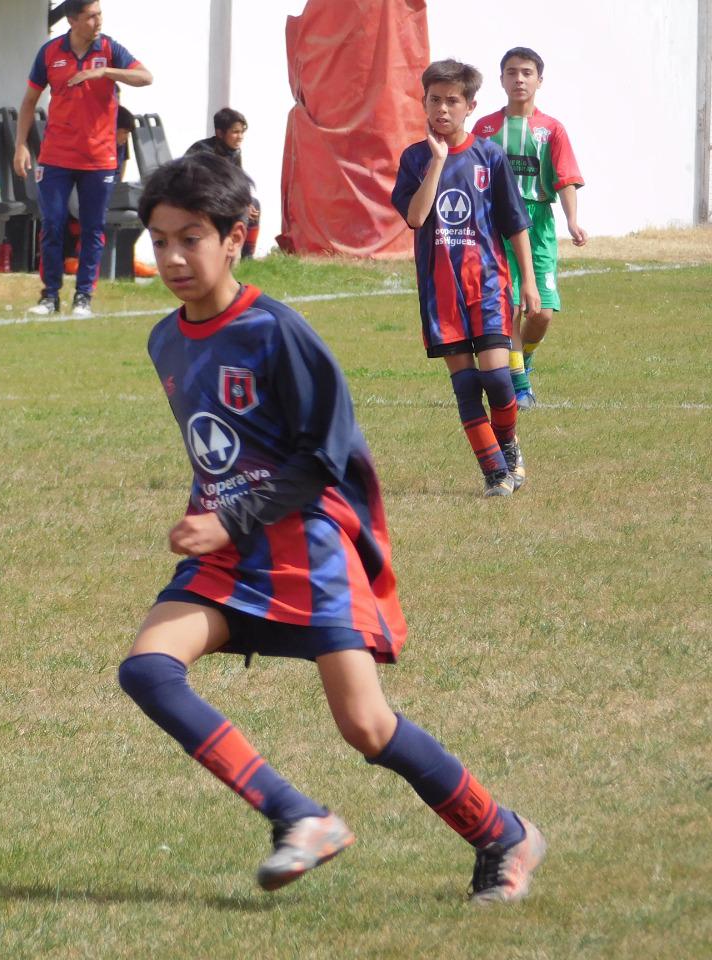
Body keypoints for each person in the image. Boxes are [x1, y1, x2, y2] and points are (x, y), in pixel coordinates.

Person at [117, 150, 546, 903]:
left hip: (307, 545)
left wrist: (234, 518)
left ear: (237, 238)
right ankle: (298, 816)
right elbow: (222, 446)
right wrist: (205, 513)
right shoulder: (165, 340)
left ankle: (502, 833)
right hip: (231, 550)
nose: (175, 256)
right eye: (160, 240)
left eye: (192, 237)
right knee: (148, 669)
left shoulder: (277, 332)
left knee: (367, 727)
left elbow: (325, 457)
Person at [392, 59, 538, 497]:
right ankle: (494, 472)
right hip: (441, 293)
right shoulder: (414, 159)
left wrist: (528, 281)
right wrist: (437, 163)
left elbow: (515, 223)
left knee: (496, 378)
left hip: (488, 285)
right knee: (466, 387)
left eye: (452, 101)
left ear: (470, 105)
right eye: (434, 100)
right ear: (424, 102)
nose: (442, 109)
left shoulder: (489, 157)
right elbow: (416, 218)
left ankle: (508, 443)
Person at [12, 0, 151, 318]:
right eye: (91, 16)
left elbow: (146, 77)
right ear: (73, 20)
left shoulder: (111, 49)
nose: (98, 20)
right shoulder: (49, 53)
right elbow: (29, 102)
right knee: (53, 225)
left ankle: (84, 297)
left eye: (99, 14)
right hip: (56, 156)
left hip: (99, 158)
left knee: (92, 228)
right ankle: (49, 296)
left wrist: (105, 71)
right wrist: (20, 146)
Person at [473, 47, 586, 409]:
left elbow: (565, 178)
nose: (518, 79)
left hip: (537, 224)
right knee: (509, 308)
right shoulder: (486, 129)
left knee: (541, 314)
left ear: (539, 79)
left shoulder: (551, 129)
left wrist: (571, 219)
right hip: (496, 227)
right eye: (511, 72)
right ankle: (520, 388)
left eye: (526, 72)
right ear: (501, 79)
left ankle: (525, 358)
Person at [185, 107, 261, 258]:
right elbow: (202, 187)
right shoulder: (203, 152)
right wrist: (239, 204)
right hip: (198, 199)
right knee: (240, 208)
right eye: (235, 132)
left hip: (222, 197)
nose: (240, 137)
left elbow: (238, 181)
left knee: (254, 204)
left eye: (242, 132)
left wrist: (246, 202)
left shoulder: (234, 151)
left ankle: (247, 256)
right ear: (220, 133)